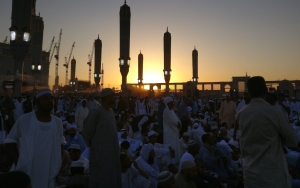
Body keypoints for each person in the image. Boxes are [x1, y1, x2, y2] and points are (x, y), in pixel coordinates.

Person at [236, 76, 298, 187]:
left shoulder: (242, 114)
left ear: (249, 92)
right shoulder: (274, 112)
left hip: (251, 177)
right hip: (272, 176)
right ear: (265, 90)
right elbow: (293, 141)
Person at [5, 89, 64, 188]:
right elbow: (10, 142)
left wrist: (58, 165)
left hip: (49, 171)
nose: (50, 101)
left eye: (52, 98)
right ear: (37, 102)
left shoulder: (58, 123)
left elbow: (61, 144)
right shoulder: (24, 120)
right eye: (45, 98)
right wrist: (19, 162)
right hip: (27, 171)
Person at [82, 88, 122, 188]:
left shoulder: (111, 111)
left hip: (112, 152)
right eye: (113, 95)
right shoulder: (96, 112)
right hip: (100, 153)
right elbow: (87, 131)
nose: (115, 97)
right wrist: (96, 145)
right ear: (107, 97)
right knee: (100, 178)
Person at [163, 97, 181, 164]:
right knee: (171, 145)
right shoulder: (166, 111)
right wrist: (177, 124)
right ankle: (171, 162)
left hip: (174, 130)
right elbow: (171, 121)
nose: (173, 104)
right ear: (168, 104)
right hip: (169, 131)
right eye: (171, 103)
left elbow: (177, 119)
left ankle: (176, 160)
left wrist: (179, 123)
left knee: (176, 144)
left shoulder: (171, 110)